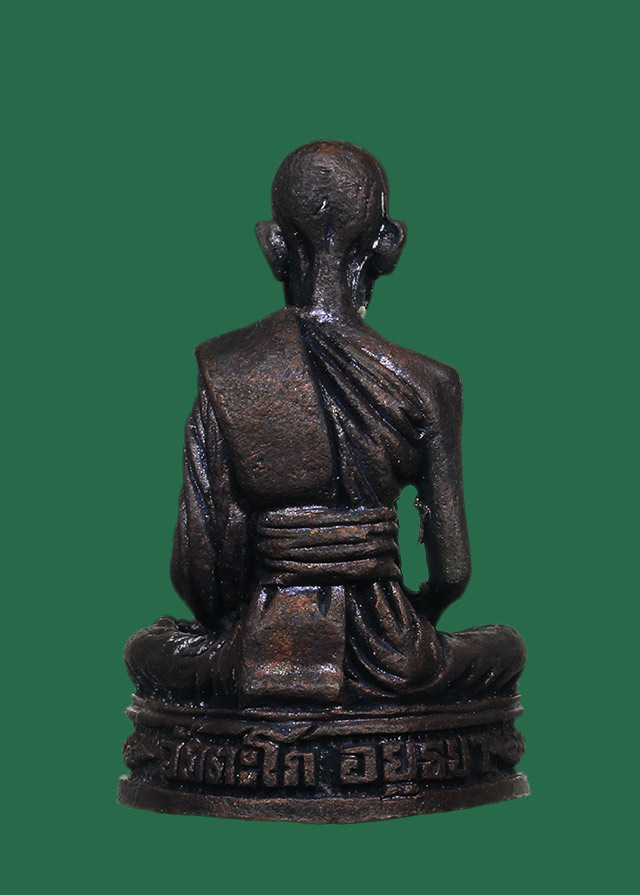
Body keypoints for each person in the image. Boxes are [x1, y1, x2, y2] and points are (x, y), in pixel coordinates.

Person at [125, 141, 524, 706]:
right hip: (395, 653)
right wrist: (407, 620)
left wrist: (243, 625)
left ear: (272, 243)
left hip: (257, 652)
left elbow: (200, 572)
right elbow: (452, 572)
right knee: (504, 648)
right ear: (390, 243)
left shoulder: (231, 366)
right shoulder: (431, 381)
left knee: (147, 649)